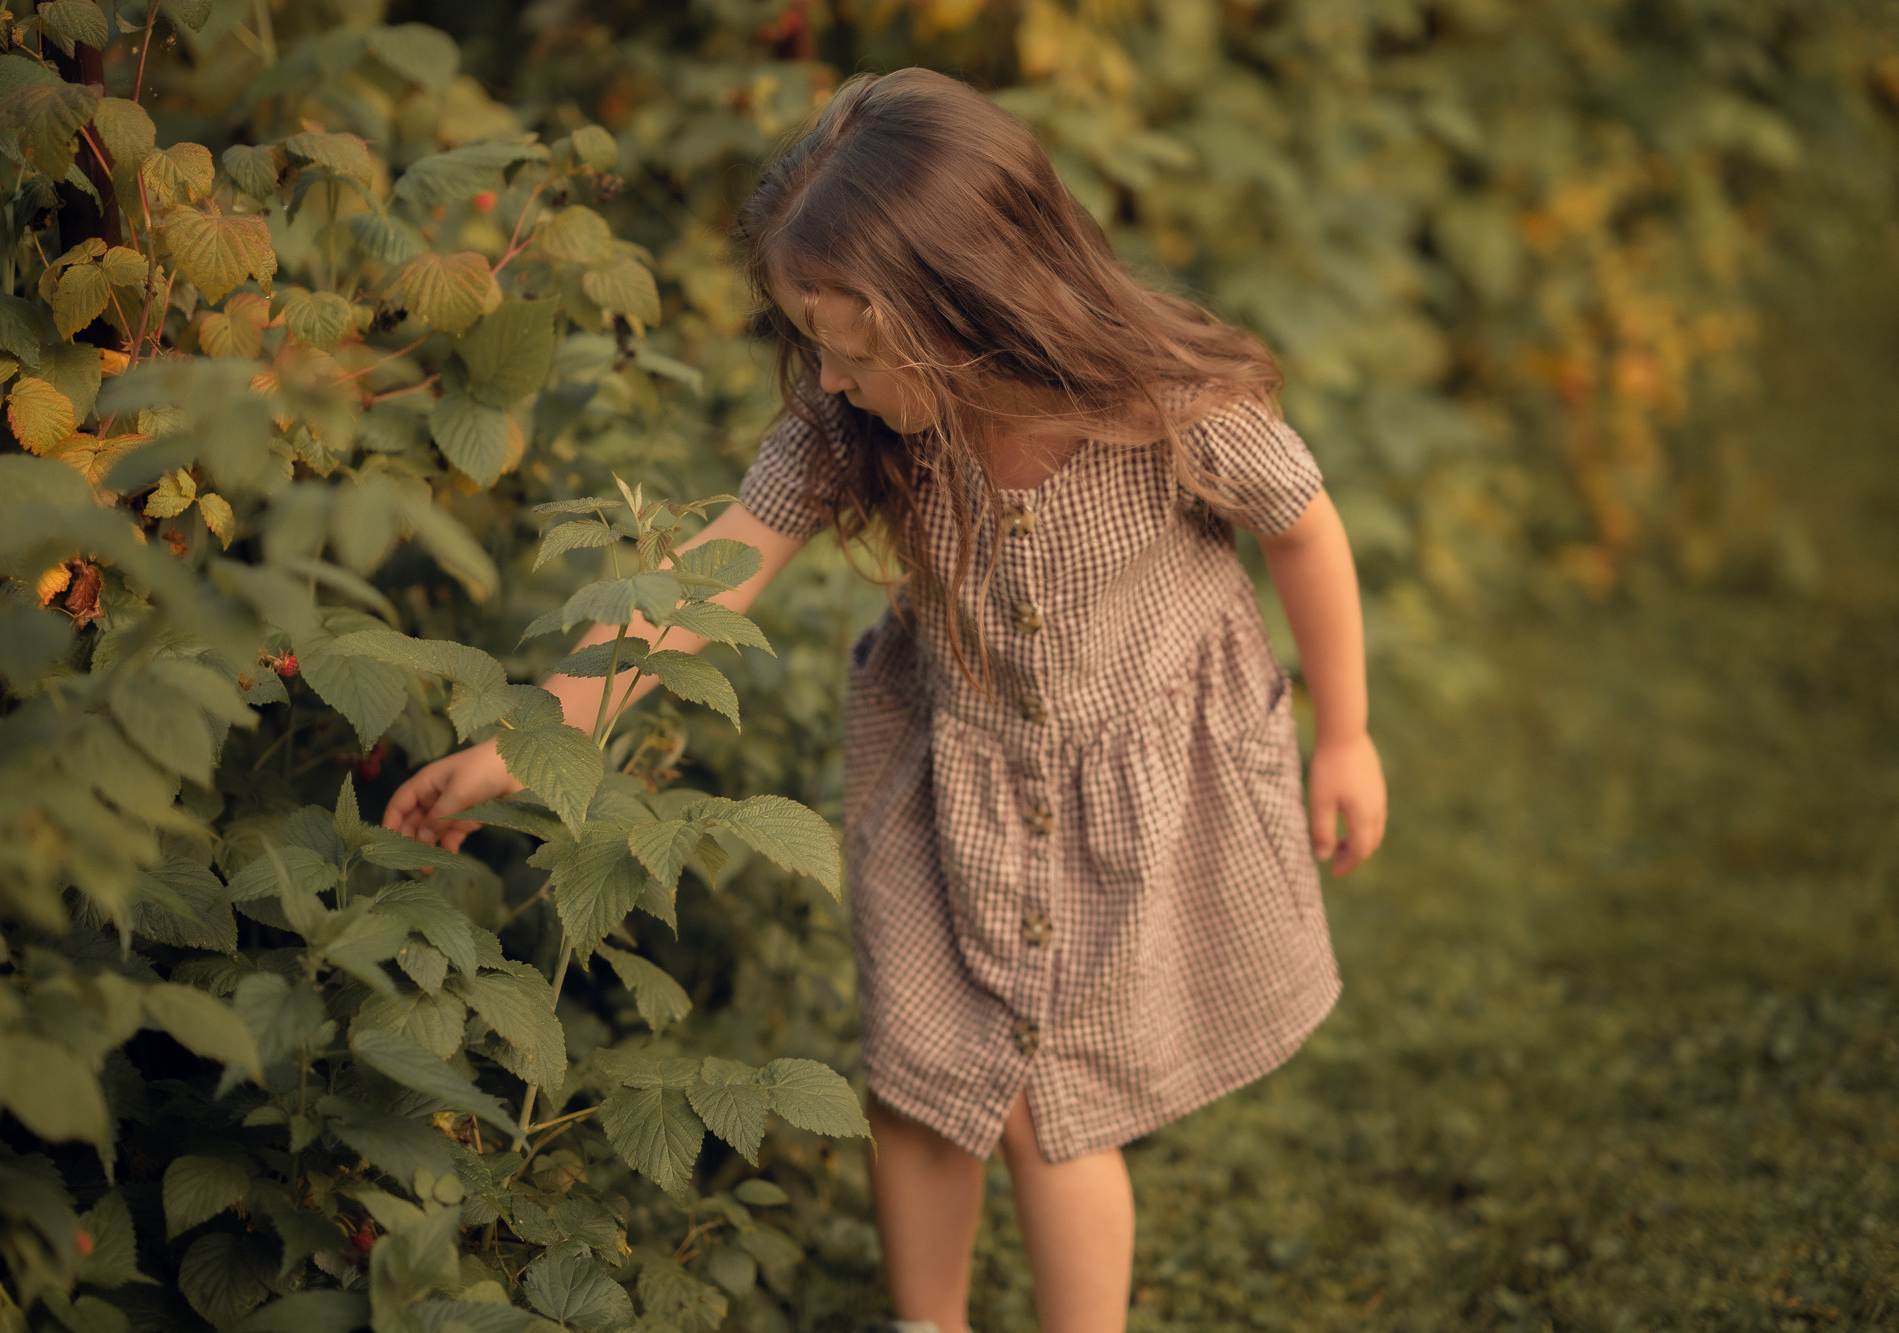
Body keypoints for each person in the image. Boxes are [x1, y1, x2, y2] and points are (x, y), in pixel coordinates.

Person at [383, 67, 1387, 1333]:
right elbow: (709, 575)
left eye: (854, 351)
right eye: (815, 345)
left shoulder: (1167, 410)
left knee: (1051, 1099)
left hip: (1127, 794)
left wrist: (1344, 732)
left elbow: (1302, 529)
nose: (829, 376)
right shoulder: (846, 420)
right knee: (920, 1069)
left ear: (969, 312)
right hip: (945, 784)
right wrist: (543, 730)